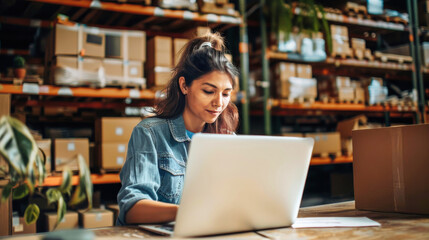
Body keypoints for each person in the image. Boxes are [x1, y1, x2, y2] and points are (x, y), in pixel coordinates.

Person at [117, 32, 239, 225]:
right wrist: (191, 212)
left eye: (226, 94)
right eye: (208, 91)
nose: (218, 102)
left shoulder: (228, 139)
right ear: (184, 86)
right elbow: (132, 209)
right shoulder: (150, 133)